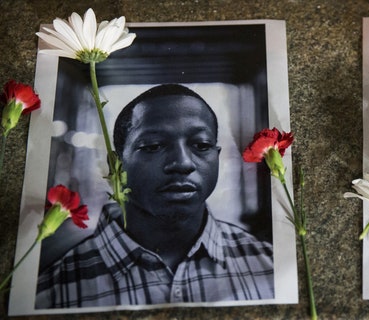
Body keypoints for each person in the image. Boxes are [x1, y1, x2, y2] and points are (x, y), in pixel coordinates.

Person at [36, 84, 274, 308]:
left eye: (201, 145)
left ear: (217, 156)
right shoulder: (50, 295)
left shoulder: (271, 267)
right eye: (152, 146)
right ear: (116, 165)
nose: (182, 162)